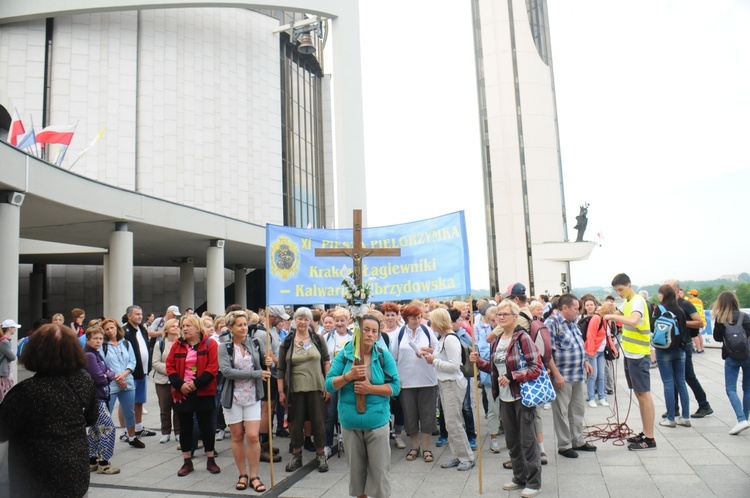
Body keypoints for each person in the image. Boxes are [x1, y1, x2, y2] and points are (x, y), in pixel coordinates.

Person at [0, 324, 97, 498]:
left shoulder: (27, 391)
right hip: (75, 470)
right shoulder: (84, 379)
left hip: (34, 476)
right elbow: (91, 417)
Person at [472, 299, 542, 498]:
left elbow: (535, 367)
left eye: (504, 315)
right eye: (498, 315)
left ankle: (534, 482)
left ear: (515, 316)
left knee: (527, 440)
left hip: (521, 396)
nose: (500, 318)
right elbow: (495, 369)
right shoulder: (497, 340)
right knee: (512, 440)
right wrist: (480, 362)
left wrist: (513, 376)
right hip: (504, 397)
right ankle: (519, 477)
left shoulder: (522, 337)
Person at [325, 314, 401, 498]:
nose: (370, 334)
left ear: (378, 335)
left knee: (379, 472)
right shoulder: (344, 354)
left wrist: (370, 388)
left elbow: (396, 387)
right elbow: (328, 384)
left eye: (374, 331)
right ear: (358, 332)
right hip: (350, 423)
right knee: (356, 474)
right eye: (366, 330)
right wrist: (347, 377)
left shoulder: (383, 355)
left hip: (377, 422)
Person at [219, 310, 271, 492]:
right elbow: (227, 372)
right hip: (232, 397)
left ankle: (255, 475)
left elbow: (265, 362)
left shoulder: (255, 343)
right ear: (230, 328)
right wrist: (254, 374)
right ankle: (242, 474)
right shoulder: (224, 347)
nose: (244, 328)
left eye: (245, 324)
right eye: (240, 325)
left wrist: (270, 361)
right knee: (237, 436)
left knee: (252, 436)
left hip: (252, 396)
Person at [603, 273, 656, 451]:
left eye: (621, 289)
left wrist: (612, 317)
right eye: (616, 291)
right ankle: (645, 432)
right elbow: (619, 313)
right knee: (639, 395)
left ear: (629, 285)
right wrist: (607, 311)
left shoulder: (637, 301)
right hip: (631, 354)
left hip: (640, 355)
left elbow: (633, 320)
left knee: (644, 395)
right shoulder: (627, 302)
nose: (619, 293)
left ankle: (650, 438)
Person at [166, 314, 221, 477]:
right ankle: (187, 461)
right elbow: (170, 366)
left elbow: (212, 368)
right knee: (185, 427)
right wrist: (180, 385)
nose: (184, 328)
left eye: (188, 325)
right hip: (182, 393)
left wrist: (195, 384)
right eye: (183, 326)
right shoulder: (177, 345)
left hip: (204, 392)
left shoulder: (210, 344)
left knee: (207, 427)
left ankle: (210, 459)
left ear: (198, 327)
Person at [277, 307, 331, 473]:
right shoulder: (287, 342)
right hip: (295, 389)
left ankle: (321, 454)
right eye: (299, 318)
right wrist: (281, 391)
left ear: (310, 321)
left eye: (305, 319)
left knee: (319, 422)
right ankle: (297, 455)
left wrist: (327, 385)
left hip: (316, 387)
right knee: (296, 423)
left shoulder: (317, 339)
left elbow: (326, 362)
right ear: (294, 321)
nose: (302, 322)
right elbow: (281, 368)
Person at [423, 308, 475, 471]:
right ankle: (458, 455)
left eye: (432, 321)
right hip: (446, 383)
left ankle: (466, 457)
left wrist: (434, 360)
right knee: (451, 422)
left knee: (454, 423)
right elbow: (445, 358)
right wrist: (431, 354)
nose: (430, 324)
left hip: (452, 383)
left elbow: (454, 365)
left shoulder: (450, 339)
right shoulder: (444, 338)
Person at [545, 294, 595, 458]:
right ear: (564, 308)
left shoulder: (573, 322)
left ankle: (578, 441)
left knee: (577, 410)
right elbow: (548, 353)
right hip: (563, 376)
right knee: (562, 412)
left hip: (578, 374)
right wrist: (556, 374)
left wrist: (585, 361)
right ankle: (564, 445)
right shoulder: (552, 323)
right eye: (575, 308)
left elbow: (578, 345)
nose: (578, 311)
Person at [391, 303, 438, 462]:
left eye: (419, 317)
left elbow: (438, 351)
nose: (417, 321)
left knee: (427, 414)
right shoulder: (399, 333)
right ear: (406, 319)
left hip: (427, 379)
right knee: (410, 415)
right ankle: (414, 446)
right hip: (406, 381)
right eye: (413, 318)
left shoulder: (427, 330)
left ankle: (426, 448)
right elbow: (394, 357)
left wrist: (428, 351)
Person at [666, 280, 714, 419]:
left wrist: (682, 322)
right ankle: (673, 408)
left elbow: (700, 322)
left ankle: (704, 405)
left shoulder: (685, 304)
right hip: (671, 345)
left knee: (688, 376)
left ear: (675, 290)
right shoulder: (667, 305)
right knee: (672, 377)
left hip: (684, 344)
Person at [83, 326, 120, 474]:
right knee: (108, 428)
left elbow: (109, 371)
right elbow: (100, 379)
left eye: (100, 338)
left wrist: (107, 374)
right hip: (96, 398)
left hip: (98, 397)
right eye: (95, 338)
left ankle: (92, 460)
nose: (98, 341)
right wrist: (108, 375)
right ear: (87, 340)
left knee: (95, 430)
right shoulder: (90, 356)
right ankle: (103, 462)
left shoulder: (96, 354)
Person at [711, 291, 750, 435]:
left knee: (731, 389)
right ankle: (745, 418)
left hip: (731, 356)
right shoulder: (744, 316)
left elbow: (717, 338)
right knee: (747, 388)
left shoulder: (720, 318)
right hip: (748, 355)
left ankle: (741, 420)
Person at [652, 284, 690, 428]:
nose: (658, 296)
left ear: (663, 294)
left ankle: (670, 418)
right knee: (681, 382)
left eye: (659, 293)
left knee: (668, 382)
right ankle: (685, 417)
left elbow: (652, 327)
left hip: (664, 350)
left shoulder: (659, 309)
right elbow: (684, 329)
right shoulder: (680, 310)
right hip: (680, 350)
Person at [100, 318, 142, 448]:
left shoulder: (126, 343)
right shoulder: (103, 346)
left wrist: (123, 375)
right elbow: (102, 364)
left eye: (112, 328)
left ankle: (132, 437)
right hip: (111, 384)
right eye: (107, 329)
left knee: (129, 412)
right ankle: (103, 441)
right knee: (107, 413)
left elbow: (132, 361)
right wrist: (116, 378)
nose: (110, 331)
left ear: (117, 328)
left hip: (127, 382)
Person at [123, 305, 157, 438]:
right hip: (131, 372)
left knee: (139, 401)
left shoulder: (142, 329)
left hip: (143, 371)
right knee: (127, 402)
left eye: (141, 314)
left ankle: (138, 427)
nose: (140, 316)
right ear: (129, 316)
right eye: (137, 314)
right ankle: (126, 431)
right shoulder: (124, 331)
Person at [323, 307, 353, 456]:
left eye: (342, 320)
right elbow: (324, 360)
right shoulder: (326, 338)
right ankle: (327, 444)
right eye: (337, 320)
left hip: (349, 380)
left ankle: (348, 442)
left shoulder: (354, 337)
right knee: (330, 413)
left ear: (348, 321)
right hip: (333, 379)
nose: (340, 323)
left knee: (347, 411)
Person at [151, 318, 182, 444]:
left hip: (178, 381)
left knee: (178, 408)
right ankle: (165, 432)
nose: (176, 328)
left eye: (177, 326)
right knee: (165, 408)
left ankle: (179, 432)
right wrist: (171, 370)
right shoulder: (160, 344)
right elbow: (155, 363)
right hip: (162, 380)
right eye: (173, 326)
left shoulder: (182, 343)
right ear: (167, 329)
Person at [584, 300, 613, 408]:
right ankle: (591, 398)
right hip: (593, 351)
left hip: (601, 351)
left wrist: (613, 348)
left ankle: (602, 397)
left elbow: (608, 336)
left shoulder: (605, 320)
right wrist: (590, 351)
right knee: (593, 375)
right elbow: (590, 335)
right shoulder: (597, 318)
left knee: (601, 375)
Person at [0, 319, 19, 401]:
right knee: (5, 393)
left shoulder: (4, 341)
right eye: (14, 327)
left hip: (4, 370)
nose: (15, 329)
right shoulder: (4, 342)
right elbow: (12, 357)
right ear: (9, 328)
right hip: (4, 372)